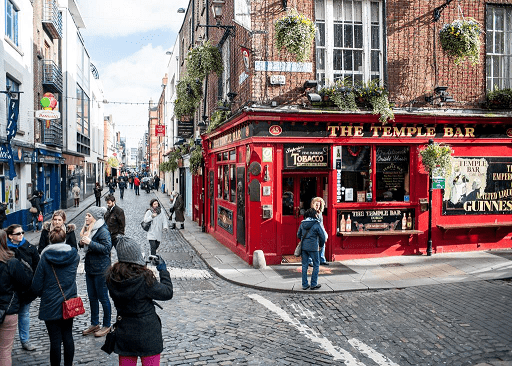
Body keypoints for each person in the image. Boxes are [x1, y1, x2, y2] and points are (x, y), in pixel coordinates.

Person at [106, 236, 173, 366]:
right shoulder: (144, 278)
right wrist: (163, 270)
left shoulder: (112, 278)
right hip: (148, 334)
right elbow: (167, 292)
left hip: (125, 332)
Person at [31, 227, 79, 366]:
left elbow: (36, 285)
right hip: (69, 301)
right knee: (68, 336)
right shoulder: (74, 255)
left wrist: (43, 294)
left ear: (50, 241)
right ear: (65, 239)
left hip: (50, 304)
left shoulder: (45, 257)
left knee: (55, 340)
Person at [79, 206, 112, 338]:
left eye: (89, 215)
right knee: (92, 297)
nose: (86, 217)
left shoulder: (103, 230)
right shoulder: (89, 229)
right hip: (90, 268)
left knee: (103, 297)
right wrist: (82, 243)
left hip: (101, 270)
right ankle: (94, 323)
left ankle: (107, 324)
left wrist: (90, 243)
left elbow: (107, 248)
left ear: (95, 217)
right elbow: (85, 244)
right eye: (86, 215)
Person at [0, 229, 32, 366]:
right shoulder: (11, 262)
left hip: (7, 309)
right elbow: (25, 282)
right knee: (5, 351)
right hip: (8, 310)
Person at [5, 225, 40, 351]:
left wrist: (35, 285)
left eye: (22, 233)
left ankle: (25, 340)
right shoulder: (6, 249)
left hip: (26, 289)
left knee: (24, 314)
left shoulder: (29, 247)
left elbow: (37, 265)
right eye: (18, 233)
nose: (21, 235)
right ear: (10, 236)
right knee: (7, 317)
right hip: (11, 290)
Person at [297, 208, 326, 290]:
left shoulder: (302, 224)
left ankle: (304, 285)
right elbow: (322, 236)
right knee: (316, 264)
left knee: (304, 265)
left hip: (304, 247)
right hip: (313, 247)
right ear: (314, 215)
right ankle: (313, 284)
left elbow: (298, 235)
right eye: (316, 214)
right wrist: (320, 245)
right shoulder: (316, 224)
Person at [309, 197, 329, 266]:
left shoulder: (320, 214)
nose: (318, 207)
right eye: (316, 205)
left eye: (319, 205)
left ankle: (322, 259)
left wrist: (324, 234)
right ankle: (310, 260)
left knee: (322, 244)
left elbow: (321, 224)